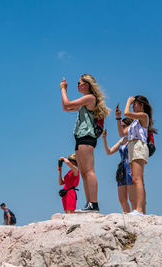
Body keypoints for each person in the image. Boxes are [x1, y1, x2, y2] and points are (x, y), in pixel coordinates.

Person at [60, 74, 110, 212]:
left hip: (87, 137)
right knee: (83, 173)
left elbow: (68, 104)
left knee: (89, 171)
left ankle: (94, 203)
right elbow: (66, 108)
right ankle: (89, 204)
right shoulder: (84, 102)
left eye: (79, 83)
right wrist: (63, 91)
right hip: (80, 138)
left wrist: (63, 89)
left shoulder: (90, 98)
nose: (77, 85)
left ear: (86, 85)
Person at [116, 95, 157, 216]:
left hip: (139, 146)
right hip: (132, 147)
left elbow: (127, 113)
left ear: (141, 105)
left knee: (137, 179)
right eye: (133, 103)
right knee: (137, 179)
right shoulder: (134, 121)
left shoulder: (144, 116)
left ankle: (139, 210)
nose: (133, 105)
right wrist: (118, 118)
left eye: (135, 103)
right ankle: (141, 210)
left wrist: (128, 101)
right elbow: (121, 133)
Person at [102, 118, 136, 213]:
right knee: (122, 199)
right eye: (121, 126)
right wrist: (104, 139)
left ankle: (135, 216)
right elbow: (109, 152)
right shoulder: (122, 140)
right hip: (122, 169)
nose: (122, 128)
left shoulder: (134, 138)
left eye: (124, 126)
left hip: (131, 167)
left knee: (132, 198)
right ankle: (126, 214)